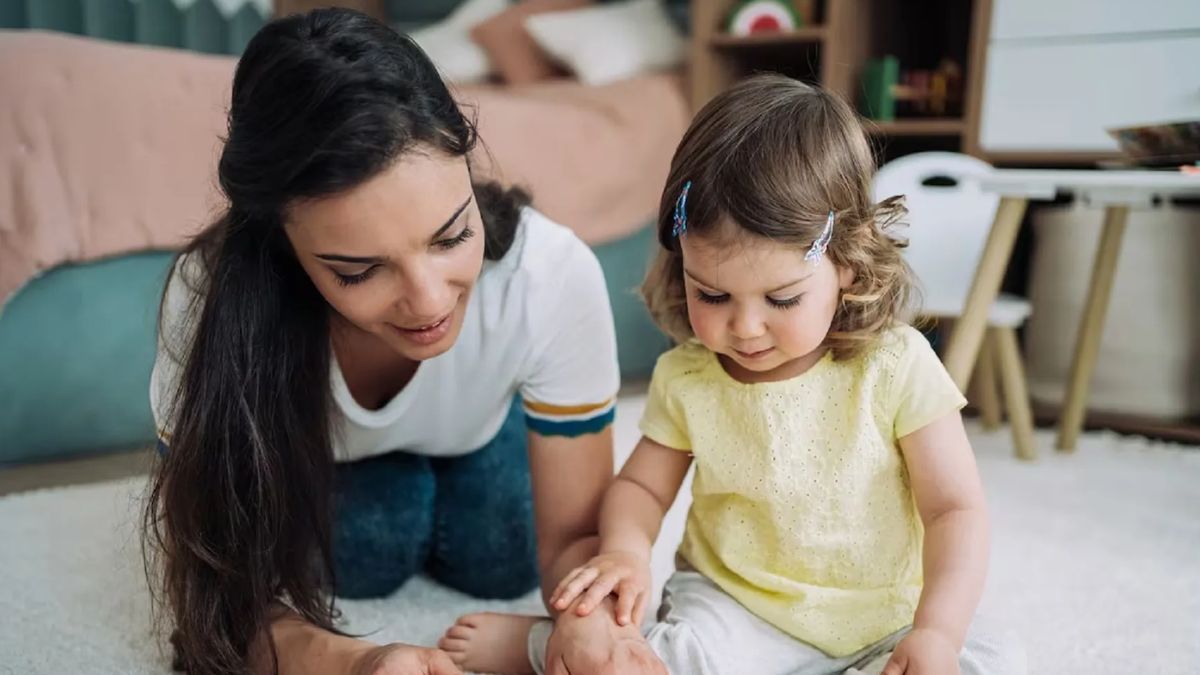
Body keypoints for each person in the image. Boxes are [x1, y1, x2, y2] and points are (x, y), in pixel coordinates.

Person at [441, 75, 1026, 675]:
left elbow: (955, 510)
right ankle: (546, 647)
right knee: (656, 660)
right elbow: (642, 488)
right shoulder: (691, 377)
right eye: (713, 294)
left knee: (991, 660)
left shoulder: (896, 364)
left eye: (781, 299)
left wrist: (935, 631)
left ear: (847, 264)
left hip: (887, 614)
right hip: (735, 608)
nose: (745, 328)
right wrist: (624, 551)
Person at [142, 9, 652, 675]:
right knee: (367, 543)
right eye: (359, 270)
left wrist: (591, 632)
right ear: (283, 244)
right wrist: (363, 660)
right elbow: (214, 600)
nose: (431, 302)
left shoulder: (548, 273)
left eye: (451, 236)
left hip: (481, 431)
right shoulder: (208, 301)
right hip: (334, 461)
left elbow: (580, 544)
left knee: (502, 547)